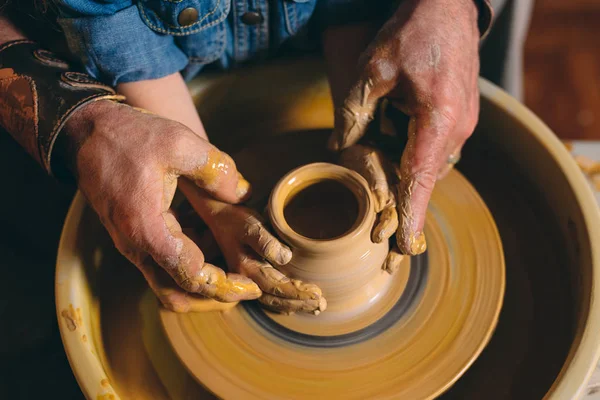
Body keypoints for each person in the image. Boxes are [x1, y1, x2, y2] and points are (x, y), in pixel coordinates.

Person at [0, 0, 532, 314]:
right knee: (50, 296)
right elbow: (103, 22)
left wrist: (445, 8)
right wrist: (91, 125)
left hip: (397, 23)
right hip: (91, 58)